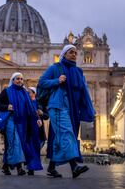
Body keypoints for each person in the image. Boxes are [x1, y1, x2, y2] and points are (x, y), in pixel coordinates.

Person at [38, 45, 95, 178]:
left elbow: (84, 91)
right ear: (64, 54)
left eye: (76, 52)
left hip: (72, 107)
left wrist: (88, 109)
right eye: (71, 52)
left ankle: (51, 167)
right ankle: (74, 166)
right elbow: (41, 82)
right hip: (58, 105)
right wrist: (57, 80)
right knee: (66, 133)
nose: (74, 54)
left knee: (60, 137)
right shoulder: (55, 68)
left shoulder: (78, 72)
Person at [0, 73, 43, 176]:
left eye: (21, 79)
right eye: (17, 79)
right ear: (12, 80)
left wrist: (37, 119)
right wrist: (7, 107)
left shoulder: (25, 92)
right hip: (11, 120)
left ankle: (6, 166)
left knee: (13, 144)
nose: (20, 80)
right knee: (15, 142)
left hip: (22, 122)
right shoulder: (6, 91)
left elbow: (30, 108)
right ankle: (19, 168)